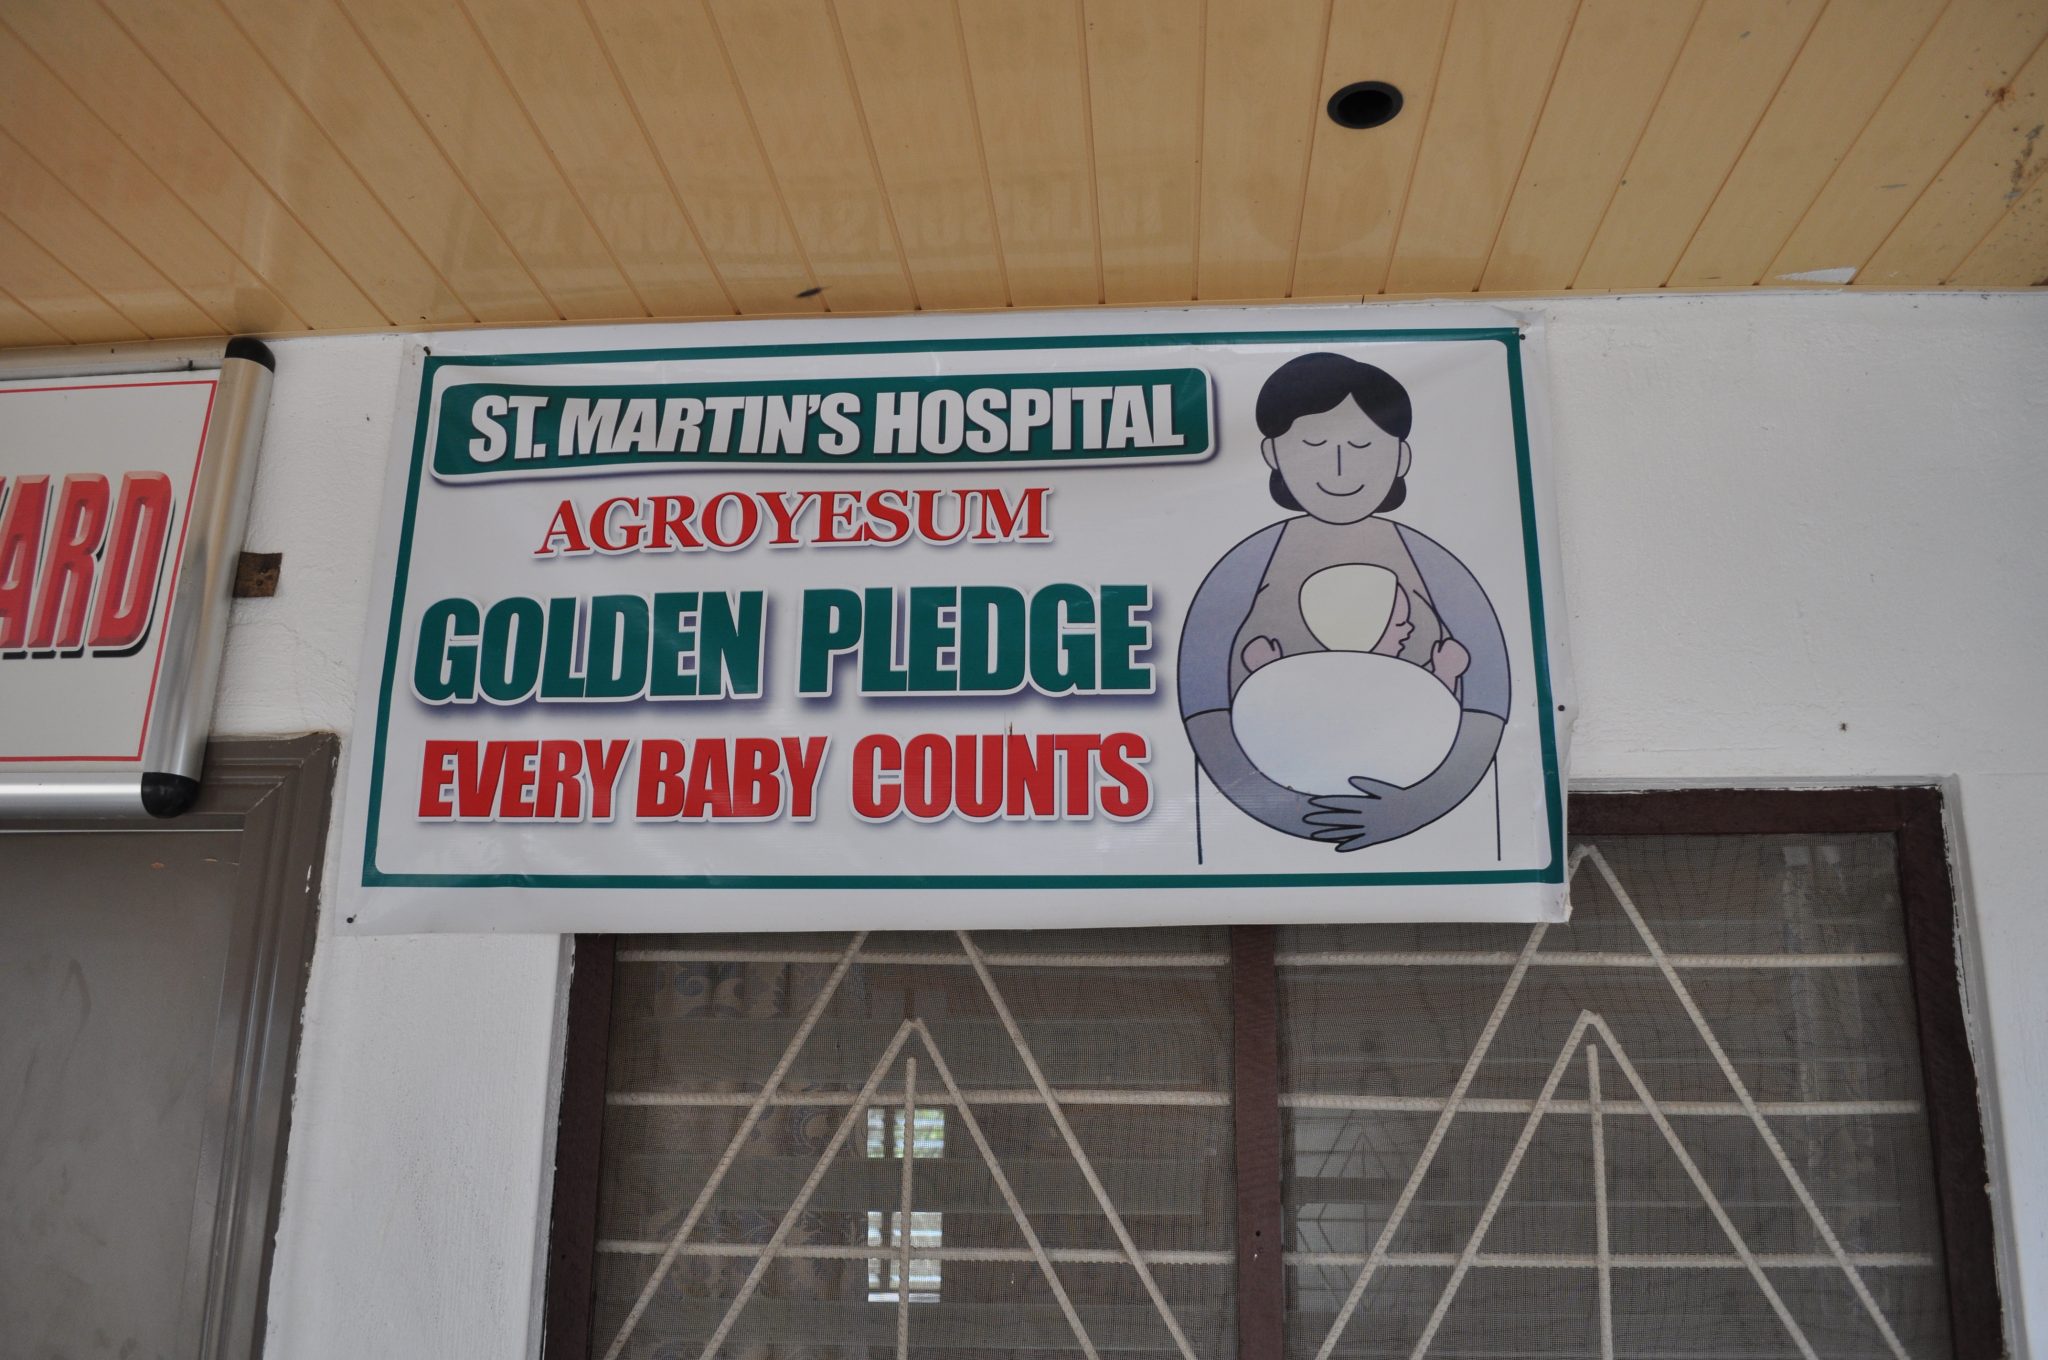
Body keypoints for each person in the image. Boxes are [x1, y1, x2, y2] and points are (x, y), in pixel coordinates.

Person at [1178, 352, 1508, 852]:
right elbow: (1203, 704)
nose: (1338, 468)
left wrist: (1421, 804)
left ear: (1401, 457)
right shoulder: (1247, 565)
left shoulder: (1433, 564)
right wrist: (1278, 806)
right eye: (1313, 444)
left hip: (1418, 798)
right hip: (1264, 809)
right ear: (1272, 453)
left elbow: (1489, 701)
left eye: (1361, 446)